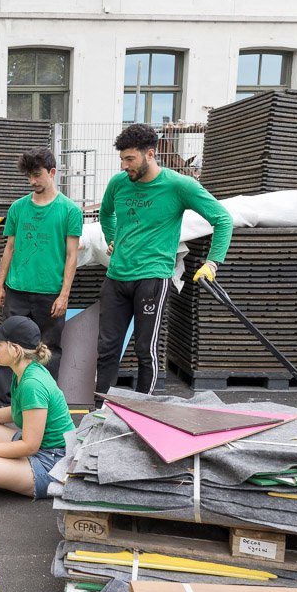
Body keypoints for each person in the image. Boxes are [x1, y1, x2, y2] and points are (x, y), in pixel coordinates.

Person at [96, 123, 233, 397]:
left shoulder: (179, 186)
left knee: (145, 349)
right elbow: (105, 213)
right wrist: (114, 238)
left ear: (150, 154)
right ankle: (100, 410)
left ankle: (143, 410)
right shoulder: (118, 184)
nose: (125, 166)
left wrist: (212, 262)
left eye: (130, 159)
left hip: (152, 278)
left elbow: (223, 219)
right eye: (122, 159)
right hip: (116, 277)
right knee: (107, 348)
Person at [0, 147, 83, 406]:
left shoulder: (69, 210)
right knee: (9, 346)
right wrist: (0, 284)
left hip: (50, 293)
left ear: (52, 172)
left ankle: (43, 401)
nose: (32, 181)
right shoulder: (18, 208)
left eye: (37, 175)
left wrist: (64, 294)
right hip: (18, 290)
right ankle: (6, 404)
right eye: (29, 177)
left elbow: (71, 256)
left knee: (49, 349)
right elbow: (9, 248)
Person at [0, 315, 75, 499]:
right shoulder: (24, 371)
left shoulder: (32, 384)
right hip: (37, 446)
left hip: (52, 461)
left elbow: (30, 447)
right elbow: (16, 411)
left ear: (15, 349)